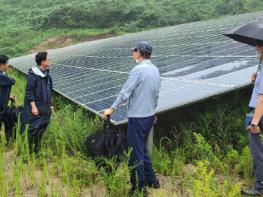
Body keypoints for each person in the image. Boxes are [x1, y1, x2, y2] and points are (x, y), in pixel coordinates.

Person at [103, 41, 161, 196]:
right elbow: (156, 94)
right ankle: (152, 180)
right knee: (142, 149)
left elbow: (125, 91)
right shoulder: (155, 70)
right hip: (149, 116)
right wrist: (151, 109)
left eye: (134, 50)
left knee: (135, 153)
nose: (133, 53)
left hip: (138, 118)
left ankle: (139, 189)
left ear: (140, 53)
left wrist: (112, 108)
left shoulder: (138, 70)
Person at [242, 45, 263, 196]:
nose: (257, 49)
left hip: (259, 115)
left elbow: (262, 99)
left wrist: (254, 123)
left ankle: (259, 187)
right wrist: (255, 81)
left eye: (260, 46)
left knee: (257, 152)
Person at [21, 51, 53, 153]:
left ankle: (37, 147)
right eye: (48, 59)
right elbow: (29, 92)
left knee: (43, 125)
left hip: (45, 106)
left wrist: (50, 104)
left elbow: (49, 90)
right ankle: (29, 151)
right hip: (37, 106)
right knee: (33, 128)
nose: (50, 60)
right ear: (43, 61)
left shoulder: (46, 74)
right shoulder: (33, 76)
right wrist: (33, 107)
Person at [0, 55, 16, 139]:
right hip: (1, 106)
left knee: (9, 122)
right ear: (2, 64)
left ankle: (7, 141)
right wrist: (12, 79)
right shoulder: (1, 76)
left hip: (3, 105)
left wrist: (9, 96)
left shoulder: (3, 73)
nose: (8, 65)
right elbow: (12, 81)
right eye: (7, 63)